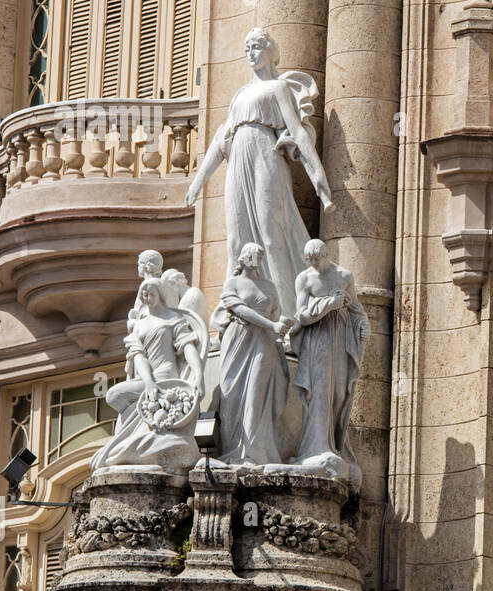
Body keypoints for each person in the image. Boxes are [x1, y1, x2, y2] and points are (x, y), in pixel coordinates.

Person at [184, 28, 334, 316]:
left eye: (256, 47)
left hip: (266, 158)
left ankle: (289, 312)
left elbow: (297, 132)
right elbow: (220, 140)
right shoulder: (240, 94)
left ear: (269, 51)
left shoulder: (277, 88)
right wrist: (198, 182)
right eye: (246, 48)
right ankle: (234, 311)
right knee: (236, 238)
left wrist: (317, 174)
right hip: (238, 159)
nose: (250, 53)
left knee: (270, 234)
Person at [91, 278, 206, 472]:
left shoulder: (172, 319)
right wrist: (149, 383)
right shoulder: (140, 326)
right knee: (113, 395)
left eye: (151, 292)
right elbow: (139, 357)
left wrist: (199, 375)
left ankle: (137, 439)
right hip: (148, 379)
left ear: (160, 294)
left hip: (167, 377)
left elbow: (188, 349)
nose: (147, 296)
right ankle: (136, 435)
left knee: (118, 395)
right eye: (144, 293)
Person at [290, 239, 369, 476]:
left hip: (339, 340)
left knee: (338, 392)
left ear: (326, 254)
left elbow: (355, 309)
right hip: (316, 340)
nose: (313, 263)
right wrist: (328, 305)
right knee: (320, 391)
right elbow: (301, 316)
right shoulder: (304, 279)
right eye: (309, 260)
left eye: (317, 258)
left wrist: (363, 324)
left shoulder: (344, 276)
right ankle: (315, 447)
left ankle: (333, 444)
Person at [214, 243, 295, 467]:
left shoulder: (269, 286)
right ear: (244, 257)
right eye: (254, 255)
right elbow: (240, 310)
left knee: (257, 392)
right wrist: (272, 324)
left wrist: (282, 324)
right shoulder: (233, 283)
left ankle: (253, 452)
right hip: (238, 338)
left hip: (263, 341)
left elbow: (277, 313)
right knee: (231, 392)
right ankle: (234, 450)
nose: (257, 258)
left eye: (260, 255)